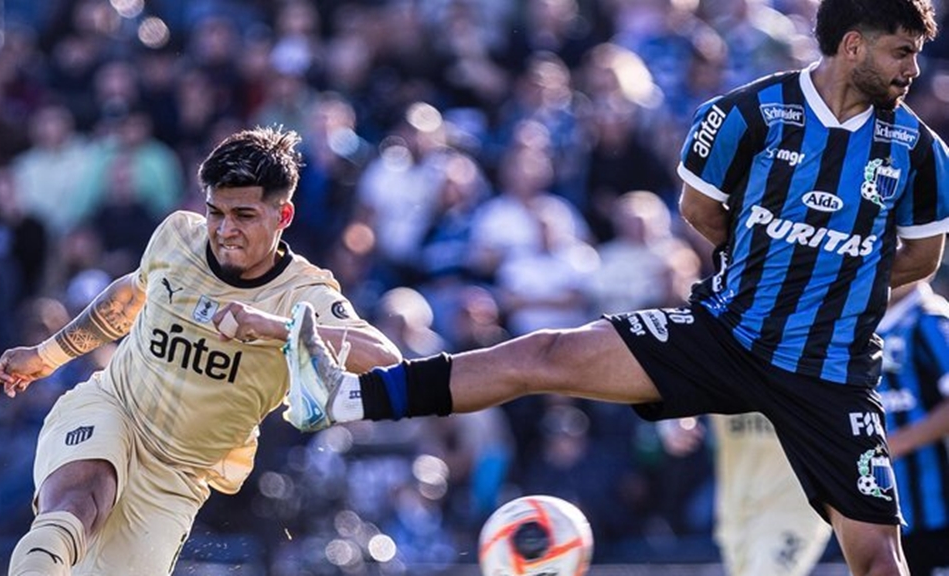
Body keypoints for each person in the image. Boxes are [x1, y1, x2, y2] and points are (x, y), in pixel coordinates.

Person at [281, 0, 949, 573]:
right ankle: (344, 398)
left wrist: (834, 283)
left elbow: (921, 257)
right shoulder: (747, 116)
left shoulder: (920, 151)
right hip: (724, 334)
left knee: (878, 560)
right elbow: (699, 212)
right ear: (854, 44)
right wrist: (766, 264)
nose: (912, 70)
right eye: (902, 52)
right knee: (543, 354)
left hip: (826, 374)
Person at [0, 126, 401, 576]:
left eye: (244, 215)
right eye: (216, 212)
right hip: (114, 407)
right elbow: (128, 297)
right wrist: (46, 356)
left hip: (177, 477)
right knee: (79, 499)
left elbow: (385, 358)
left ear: (283, 216)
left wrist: (275, 328)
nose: (225, 230)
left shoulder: (305, 293)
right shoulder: (177, 238)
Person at [658, 414, 833, 575]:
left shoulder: (804, 381)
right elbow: (676, 389)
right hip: (737, 514)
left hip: (796, 510)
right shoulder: (726, 379)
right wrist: (671, 424)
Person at [876, 279, 949, 575]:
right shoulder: (858, 324)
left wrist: (892, 446)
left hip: (937, 514)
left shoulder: (930, 319)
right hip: (883, 515)